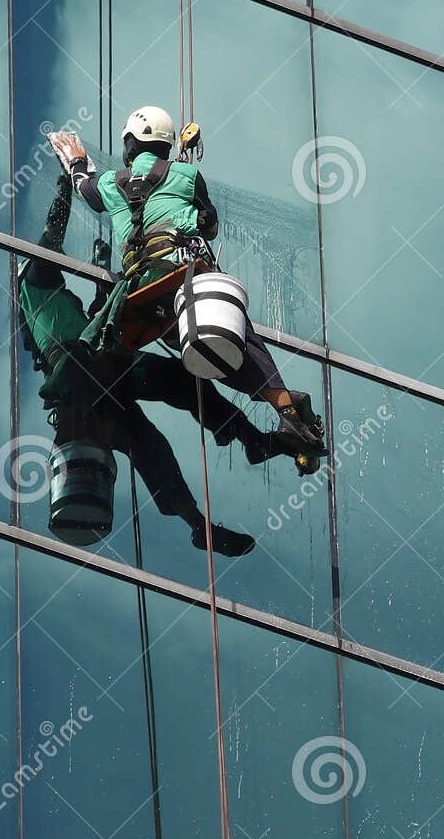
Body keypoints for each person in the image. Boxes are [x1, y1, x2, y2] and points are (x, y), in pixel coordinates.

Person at [17, 176, 270, 557]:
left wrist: (107, 285)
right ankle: (204, 507)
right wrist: (65, 186)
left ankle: (236, 455)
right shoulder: (35, 287)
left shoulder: (52, 310)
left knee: (168, 412)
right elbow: (53, 236)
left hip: (95, 375)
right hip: (83, 375)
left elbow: (95, 322)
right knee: (160, 423)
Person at [57, 106, 325, 459]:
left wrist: (77, 161)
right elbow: (209, 225)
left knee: (202, 347)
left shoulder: (110, 183)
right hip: (181, 274)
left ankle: (285, 413)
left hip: (141, 290)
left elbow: (84, 188)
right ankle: (287, 410)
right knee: (236, 337)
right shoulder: (186, 174)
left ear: (130, 144)